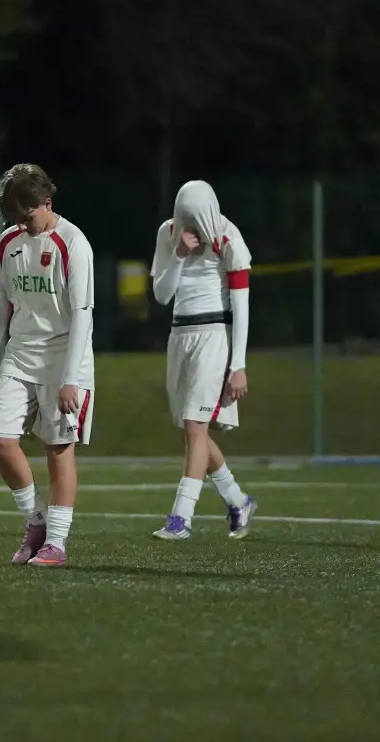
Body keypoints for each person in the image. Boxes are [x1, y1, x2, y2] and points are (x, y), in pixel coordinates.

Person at [0, 164, 94, 568]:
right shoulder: (8, 242)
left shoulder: (73, 242)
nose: (21, 226)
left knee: (58, 448)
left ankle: (55, 544)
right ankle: (36, 521)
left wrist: (71, 378)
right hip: (20, 351)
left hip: (63, 355)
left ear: (47, 202)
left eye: (27, 217)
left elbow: (82, 314)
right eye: (14, 218)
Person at [149, 180, 258, 541]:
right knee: (190, 427)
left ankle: (181, 518)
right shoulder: (168, 233)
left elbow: (241, 307)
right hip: (179, 336)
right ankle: (237, 499)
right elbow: (162, 295)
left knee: (195, 427)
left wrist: (238, 364)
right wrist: (178, 255)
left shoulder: (228, 238)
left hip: (214, 336)